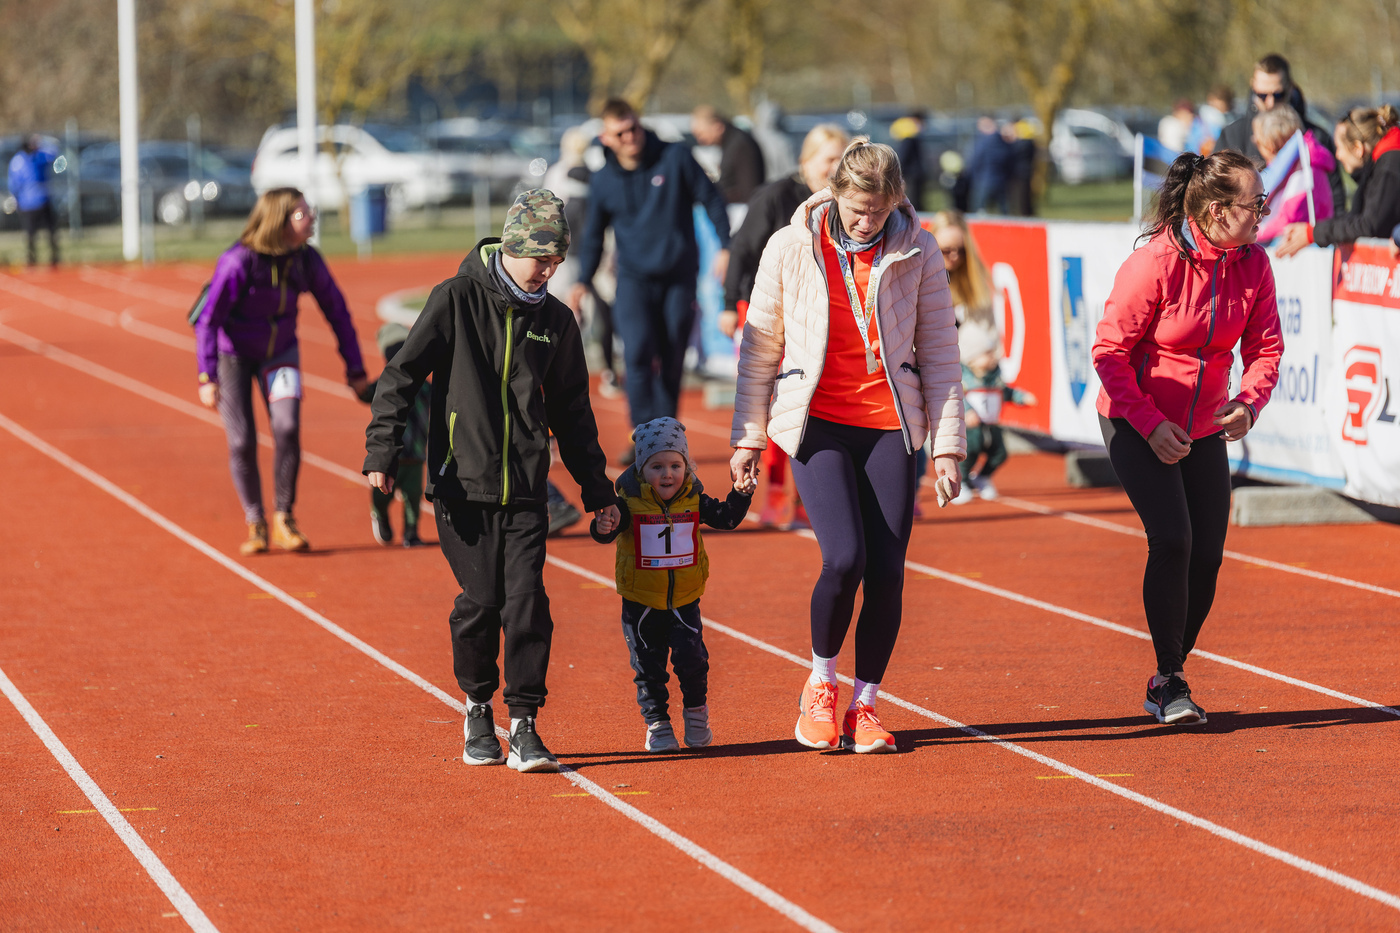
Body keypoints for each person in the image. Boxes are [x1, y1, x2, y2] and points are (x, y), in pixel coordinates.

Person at [365, 190, 619, 774]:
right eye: (541, 259)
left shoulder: (556, 322)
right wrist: (383, 448)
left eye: (557, 261)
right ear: (511, 247)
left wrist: (598, 492)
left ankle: (525, 723)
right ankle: (478, 706)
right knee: (482, 603)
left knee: (527, 603)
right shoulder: (455, 299)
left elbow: (574, 414)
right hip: (462, 485)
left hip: (527, 488)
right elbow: (401, 376)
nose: (548, 271)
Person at [730, 138, 965, 754]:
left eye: (880, 211)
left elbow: (940, 350)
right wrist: (748, 436)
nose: (867, 222)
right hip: (818, 421)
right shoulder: (790, 246)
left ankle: (866, 704)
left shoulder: (917, 247)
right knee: (844, 559)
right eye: (858, 209)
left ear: (897, 201)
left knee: (888, 570)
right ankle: (821, 682)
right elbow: (759, 348)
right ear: (833, 193)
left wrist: (946, 447)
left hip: (891, 423)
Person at [1092, 150, 1282, 726]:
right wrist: (1150, 425)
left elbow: (1266, 348)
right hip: (1134, 419)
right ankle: (1170, 679)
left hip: (1203, 427)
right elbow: (1109, 354)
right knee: (1173, 539)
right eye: (1257, 203)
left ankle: (1165, 675)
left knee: (1208, 556)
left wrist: (1248, 402)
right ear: (1219, 210)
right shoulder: (1154, 262)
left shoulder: (1254, 264)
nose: (1264, 213)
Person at [195, 188, 368, 555]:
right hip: (233, 356)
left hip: (280, 352)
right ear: (279, 220)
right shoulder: (238, 262)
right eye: (303, 213)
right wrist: (207, 376)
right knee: (242, 440)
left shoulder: (306, 260)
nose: (312, 217)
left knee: (287, 427)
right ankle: (255, 522)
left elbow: (337, 311)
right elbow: (208, 320)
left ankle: (283, 518)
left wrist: (355, 368)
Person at [572, 99, 732, 463]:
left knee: (672, 356)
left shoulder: (675, 157)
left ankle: (665, 434)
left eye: (634, 128)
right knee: (638, 352)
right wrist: (582, 280)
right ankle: (644, 435)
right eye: (620, 133)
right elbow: (593, 236)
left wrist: (725, 246)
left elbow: (712, 199)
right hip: (633, 280)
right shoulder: (604, 179)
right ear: (606, 138)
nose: (630, 137)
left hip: (678, 276)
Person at [589, 418, 754, 752]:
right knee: (648, 668)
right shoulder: (628, 503)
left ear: (687, 467)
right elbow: (606, 531)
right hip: (641, 602)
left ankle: (696, 716)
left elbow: (727, 518)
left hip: (684, 600)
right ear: (641, 469)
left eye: (676, 466)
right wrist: (602, 526)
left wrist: (740, 493)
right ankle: (658, 726)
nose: (667, 474)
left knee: (693, 661)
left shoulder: (694, 499)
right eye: (657, 467)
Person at [720, 122, 850, 527]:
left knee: (816, 403)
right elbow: (741, 250)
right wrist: (728, 305)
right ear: (805, 161)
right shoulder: (775, 195)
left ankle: (813, 493)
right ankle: (776, 491)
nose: (835, 167)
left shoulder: (846, 202)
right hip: (767, 308)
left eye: (842, 159)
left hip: (816, 315)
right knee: (777, 402)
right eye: (828, 159)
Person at [923, 211, 1036, 505]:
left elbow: (987, 339)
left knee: (980, 439)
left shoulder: (977, 286)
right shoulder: (919, 278)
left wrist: (984, 367)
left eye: (960, 250)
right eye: (946, 250)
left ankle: (966, 479)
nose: (954, 257)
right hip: (928, 371)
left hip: (964, 376)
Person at [1217, 54, 1345, 210]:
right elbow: (1216, 192)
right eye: (1262, 95)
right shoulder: (1233, 135)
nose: (1270, 102)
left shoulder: (1316, 137)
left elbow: (1335, 200)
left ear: (1290, 88)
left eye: (1278, 95)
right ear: (1253, 87)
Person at [1275, 105, 1400, 258]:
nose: (1338, 155)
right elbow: (1359, 218)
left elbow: (1369, 225)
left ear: (1357, 148)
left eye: (1339, 148)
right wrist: (1313, 231)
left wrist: (1313, 233)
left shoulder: (1389, 167)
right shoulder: (1383, 163)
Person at [365, 323, 430, 548]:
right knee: (383, 494)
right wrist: (359, 386)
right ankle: (380, 514)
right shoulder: (384, 383)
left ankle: (411, 532)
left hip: (416, 453)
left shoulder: (424, 385)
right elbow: (367, 393)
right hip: (391, 454)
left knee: (413, 495)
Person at [1251, 106, 1335, 245]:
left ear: (1269, 145)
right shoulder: (1296, 165)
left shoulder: (1304, 169)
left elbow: (1289, 219)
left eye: (1257, 142)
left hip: (1302, 246)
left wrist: (1251, 232)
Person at [691, 105, 767, 207]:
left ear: (718, 127)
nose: (700, 140)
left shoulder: (740, 144)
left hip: (742, 209)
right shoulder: (731, 142)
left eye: (701, 134)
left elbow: (749, 189)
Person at [7, 135, 59, 267]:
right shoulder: (18, 161)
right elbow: (13, 184)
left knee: (51, 232)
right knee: (30, 234)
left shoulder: (39, 156)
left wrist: (43, 141)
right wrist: (16, 200)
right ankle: (31, 259)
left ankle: (54, 258)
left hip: (43, 200)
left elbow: (54, 153)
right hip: (27, 204)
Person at [967, 117, 1012, 214]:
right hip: (1001, 180)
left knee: (979, 209)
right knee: (1004, 211)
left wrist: (972, 175)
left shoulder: (983, 142)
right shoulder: (1003, 142)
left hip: (983, 180)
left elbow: (975, 160)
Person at [889, 113, 926, 211]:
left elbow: (902, 158)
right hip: (912, 175)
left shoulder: (909, 140)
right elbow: (904, 158)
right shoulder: (910, 139)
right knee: (914, 199)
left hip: (911, 175)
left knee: (914, 199)